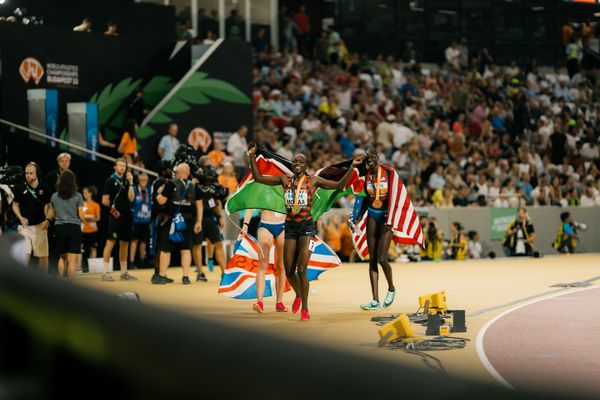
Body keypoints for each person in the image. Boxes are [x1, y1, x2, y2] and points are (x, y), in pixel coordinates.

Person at [247, 144, 360, 321]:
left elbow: (339, 184)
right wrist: (252, 156)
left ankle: (305, 309)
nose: (297, 164)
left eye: (301, 162)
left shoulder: (313, 181)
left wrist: (352, 168)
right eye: (295, 162)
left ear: (306, 165)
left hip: (307, 227)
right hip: (290, 227)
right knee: (289, 270)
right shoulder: (285, 180)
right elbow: (258, 177)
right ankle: (299, 295)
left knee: (302, 269)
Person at [355, 147, 397, 311]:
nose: (370, 159)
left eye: (373, 156)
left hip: (386, 217)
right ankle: (375, 300)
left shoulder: (389, 174)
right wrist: (359, 216)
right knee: (372, 259)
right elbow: (365, 199)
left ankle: (392, 288)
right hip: (373, 214)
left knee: (382, 258)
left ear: (378, 158)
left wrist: (392, 218)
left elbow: (396, 196)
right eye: (368, 157)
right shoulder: (366, 177)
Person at [155, 163, 202, 284]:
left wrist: (158, 193)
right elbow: (199, 205)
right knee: (186, 249)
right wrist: (199, 222)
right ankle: (185, 277)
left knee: (166, 248)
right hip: (188, 220)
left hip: (172, 220)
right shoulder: (194, 186)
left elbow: (161, 200)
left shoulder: (171, 183)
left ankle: (162, 275)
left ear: (179, 172)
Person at [242, 209, 288, 313]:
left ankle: (279, 302)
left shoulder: (285, 191)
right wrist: (245, 225)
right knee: (263, 264)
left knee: (281, 265)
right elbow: (251, 206)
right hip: (265, 225)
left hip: (283, 225)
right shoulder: (261, 191)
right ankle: (260, 302)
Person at [192, 157, 228, 281]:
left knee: (218, 243)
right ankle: (200, 273)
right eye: (209, 164)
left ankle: (224, 272)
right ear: (202, 166)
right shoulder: (195, 179)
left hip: (211, 216)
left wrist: (220, 217)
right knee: (197, 245)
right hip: (197, 216)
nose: (211, 166)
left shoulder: (213, 177)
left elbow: (217, 200)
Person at [12, 162, 51, 272]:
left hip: (40, 226)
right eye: (26, 173)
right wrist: (20, 217)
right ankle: (23, 280)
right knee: (25, 253)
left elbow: (50, 206)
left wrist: (48, 220)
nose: (28, 175)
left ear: (37, 173)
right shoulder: (20, 187)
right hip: (25, 227)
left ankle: (43, 280)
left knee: (43, 255)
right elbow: (15, 205)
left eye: (31, 173)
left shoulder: (44, 188)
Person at [101, 158, 136, 281]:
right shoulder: (110, 180)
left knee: (125, 244)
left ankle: (124, 272)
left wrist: (131, 182)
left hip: (127, 217)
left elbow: (131, 198)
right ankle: (105, 273)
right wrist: (113, 211)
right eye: (119, 165)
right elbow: (105, 200)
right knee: (110, 242)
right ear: (115, 167)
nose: (122, 167)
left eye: (124, 165)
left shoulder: (127, 181)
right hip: (115, 217)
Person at [48, 170, 84, 280]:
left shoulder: (54, 196)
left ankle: (61, 283)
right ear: (73, 182)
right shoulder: (78, 196)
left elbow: (53, 214)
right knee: (72, 259)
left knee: (62, 258)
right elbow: (81, 216)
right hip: (74, 227)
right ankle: (71, 286)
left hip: (59, 228)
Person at [130, 173, 152, 269]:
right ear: (138, 180)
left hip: (146, 220)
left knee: (144, 241)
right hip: (136, 220)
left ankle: (142, 261)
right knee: (134, 240)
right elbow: (130, 199)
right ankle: (131, 262)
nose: (143, 181)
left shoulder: (150, 190)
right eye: (141, 179)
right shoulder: (134, 189)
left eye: (145, 180)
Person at [81, 186, 100, 272]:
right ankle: (79, 267)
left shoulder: (96, 205)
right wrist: (83, 218)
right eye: (83, 193)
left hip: (93, 230)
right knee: (80, 248)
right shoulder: (82, 204)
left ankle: (93, 268)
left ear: (90, 193)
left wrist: (91, 218)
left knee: (93, 248)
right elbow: (80, 215)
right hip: (83, 230)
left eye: (85, 192)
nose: (84, 194)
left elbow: (98, 218)